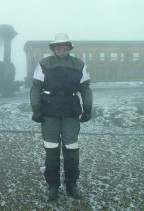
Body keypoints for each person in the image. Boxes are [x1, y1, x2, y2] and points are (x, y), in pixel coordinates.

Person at [30, 33, 93, 201]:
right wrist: (36, 109)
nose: (61, 49)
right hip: (49, 112)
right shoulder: (44, 64)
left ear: (69, 47)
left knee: (72, 149)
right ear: (53, 48)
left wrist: (87, 109)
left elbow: (85, 88)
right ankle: (53, 186)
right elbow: (36, 87)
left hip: (70, 112)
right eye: (58, 46)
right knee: (51, 150)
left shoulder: (79, 65)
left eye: (65, 46)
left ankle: (72, 185)